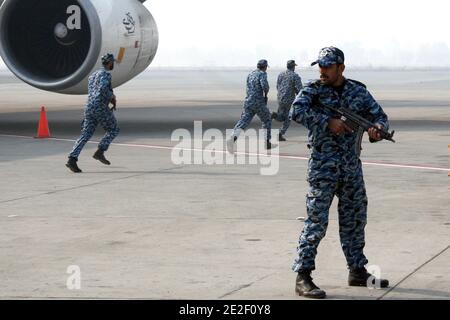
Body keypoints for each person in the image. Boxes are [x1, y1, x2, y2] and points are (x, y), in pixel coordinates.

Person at [290, 47, 390, 299]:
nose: (322, 70)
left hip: (351, 169)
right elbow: (296, 111)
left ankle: (357, 270)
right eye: (320, 66)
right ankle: (303, 276)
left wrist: (377, 130)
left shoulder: (358, 91)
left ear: (341, 68)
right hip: (323, 168)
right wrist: (327, 122)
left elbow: (379, 116)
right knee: (316, 222)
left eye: (327, 66)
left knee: (355, 219)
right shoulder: (313, 91)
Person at [66, 53, 119, 173]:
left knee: (85, 134)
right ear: (110, 63)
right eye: (113, 62)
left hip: (89, 107)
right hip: (100, 106)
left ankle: (72, 159)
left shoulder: (93, 75)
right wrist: (112, 97)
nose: (113, 64)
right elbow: (103, 89)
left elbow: (93, 91)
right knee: (113, 129)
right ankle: (100, 151)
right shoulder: (106, 75)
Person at [227, 59, 273, 151]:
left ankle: (232, 138)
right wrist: (266, 93)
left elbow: (248, 87)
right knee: (267, 119)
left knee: (243, 122)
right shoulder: (262, 74)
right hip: (258, 102)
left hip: (248, 101)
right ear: (264, 67)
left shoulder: (250, 74)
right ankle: (267, 142)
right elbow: (265, 86)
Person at [272, 60, 303, 141]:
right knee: (288, 117)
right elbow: (300, 89)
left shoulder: (281, 74)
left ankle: (274, 115)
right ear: (293, 67)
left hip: (280, 98)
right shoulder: (295, 76)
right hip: (289, 99)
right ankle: (280, 134)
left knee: (281, 116)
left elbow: (278, 86)